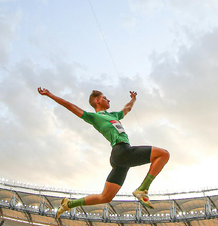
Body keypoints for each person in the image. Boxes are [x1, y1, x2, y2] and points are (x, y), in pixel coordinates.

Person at [38, 87, 170, 219]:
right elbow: (69, 106)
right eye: (104, 98)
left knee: (105, 197)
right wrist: (50, 95)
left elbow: (127, 108)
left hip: (120, 159)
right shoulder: (93, 117)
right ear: (97, 101)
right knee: (163, 154)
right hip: (121, 151)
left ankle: (68, 204)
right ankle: (143, 189)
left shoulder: (113, 115)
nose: (108, 99)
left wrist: (133, 99)